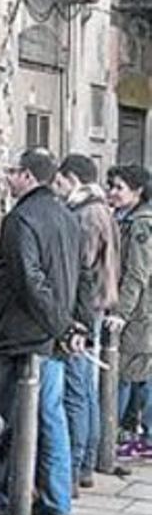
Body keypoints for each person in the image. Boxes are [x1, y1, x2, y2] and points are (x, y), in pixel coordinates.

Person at [0, 148, 88, 515]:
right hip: (51, 333)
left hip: (23, 334)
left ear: (27, 176)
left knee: (16, 416)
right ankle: (55, 496)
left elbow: (30, 280)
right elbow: (83, 277)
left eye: (12, 171)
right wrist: (77, 324)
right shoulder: (68, 216)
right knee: (50, 416)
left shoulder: (20, 218)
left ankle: (12, 493)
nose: (7, 178)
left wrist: (63, 325)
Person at [54, 155, 120, 487]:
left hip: (86, 307)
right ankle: (87, 458)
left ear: (72, 179)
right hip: (94, 304)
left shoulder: (88, 213)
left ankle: (80, 462)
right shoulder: (99, 209)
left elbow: (80, 265)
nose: (58, 188)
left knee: (78, 388)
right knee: (86, 387)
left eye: (61, 182)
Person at [106, 164, 152, 459]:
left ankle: (143, 435)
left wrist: (122, 312)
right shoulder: (127, 219)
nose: (112, 192)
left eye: (119, 187)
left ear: (137, 191)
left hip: (140, 313)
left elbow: (137, 273)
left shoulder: (141, 225)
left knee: (132, 372)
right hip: (139, 310)